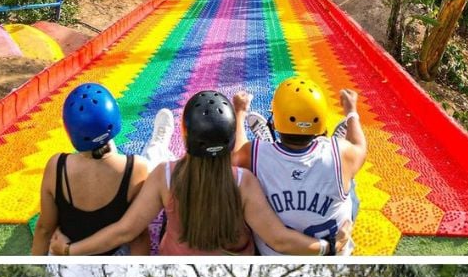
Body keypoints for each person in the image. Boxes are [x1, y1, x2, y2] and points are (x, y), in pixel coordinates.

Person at [48, 90, 348, 256]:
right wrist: (329, 246)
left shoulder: (166, 176)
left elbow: (124, 230)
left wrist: (71, 250)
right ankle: (159, 143)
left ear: (186, 134)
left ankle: (159, 142)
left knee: (155, 160)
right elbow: (280, 239)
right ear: (231, 140)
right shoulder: (243, 181)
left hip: (174, 255)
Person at [31, 82, 172, 255]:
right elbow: (138, 236)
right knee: (151, 162)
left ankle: (156, 144)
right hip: (115, 254)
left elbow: (44, 229)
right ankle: (159, 143)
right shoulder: (136, 167)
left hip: (64, 252)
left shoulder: (56, 166)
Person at [231, 77, 367, 255]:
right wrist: (351, 112)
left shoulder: (252, 153)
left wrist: (239, 112)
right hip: (333, 249)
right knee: (349, 179)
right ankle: (325, 143)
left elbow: (236, 155)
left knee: (247, 177)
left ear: (275, 121)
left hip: (272, 252)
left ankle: (270, 144)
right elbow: (359, 147)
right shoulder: (344, 154)